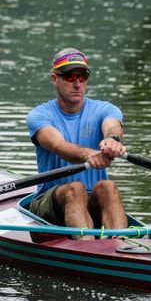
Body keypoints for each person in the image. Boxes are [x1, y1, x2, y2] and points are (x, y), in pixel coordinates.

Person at [26, 48, 128, 237]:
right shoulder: (39, 115)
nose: (77, 84)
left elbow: (112, 126)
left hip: (92, 202)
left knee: (107, 187)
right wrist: (88, 154)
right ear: (55, 79)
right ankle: (87, 245)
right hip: (50, 205)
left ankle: (121, 244)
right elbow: (58, 145)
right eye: (70, 77)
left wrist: (112, 140)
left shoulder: (104, 109)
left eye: (82, 77)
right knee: (75, 189)